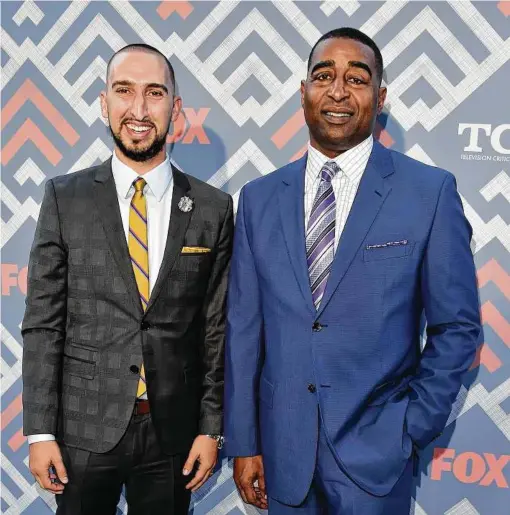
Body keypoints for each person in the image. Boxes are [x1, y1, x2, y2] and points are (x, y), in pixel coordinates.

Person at [224, 27, 481, 515]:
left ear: (380, 98)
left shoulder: (429, 193)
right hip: (281, 456)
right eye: (324, 76)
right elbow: (243, 330)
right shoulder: (258, 199)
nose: (338, 91)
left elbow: (458, 329)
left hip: (377, 461)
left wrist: (410, 427)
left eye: (356, 79)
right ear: (304, 94)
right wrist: (243, 441)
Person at [22, 43, 233, 515]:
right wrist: (41, 432)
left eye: (154, 93)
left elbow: (215, 331)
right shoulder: (65, 198)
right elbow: (42, 324)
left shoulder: (213, 208)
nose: (138, 110)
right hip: (81, 432)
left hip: (172, 435)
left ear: (175, 109)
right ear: (104, 102)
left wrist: (210, 427)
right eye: (124, 91)